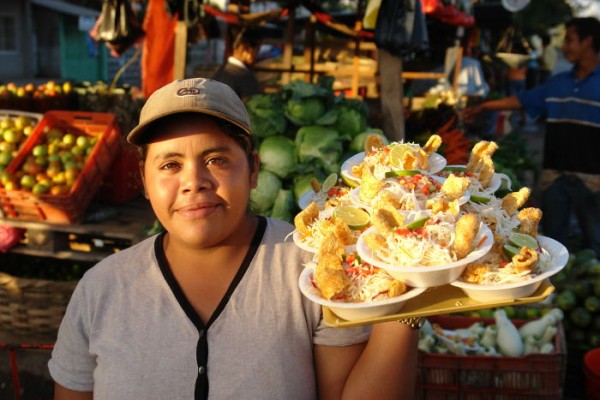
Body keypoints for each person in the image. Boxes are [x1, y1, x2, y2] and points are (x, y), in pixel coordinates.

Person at [48, 77, 422, 400]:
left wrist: (409, 298)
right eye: (170, 165)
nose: (194, 181)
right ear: (144, 181)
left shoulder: (313, 272)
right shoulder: (101, 290)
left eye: (216, 160)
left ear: (254, 169)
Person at [463, 17, 600, 256]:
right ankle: (553, 287)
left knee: (595, 241)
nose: (565, 46)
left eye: (570, 40)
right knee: (551, 243)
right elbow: (521, 100)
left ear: (588, 41)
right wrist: (485, 106)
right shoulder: (558, 83)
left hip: (594, 181)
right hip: (554, 178)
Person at [212, 27, 262, 101]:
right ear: (247, 49)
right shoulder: (244, 77)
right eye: (257, 50)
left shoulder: (219, 72)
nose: (257, 55)